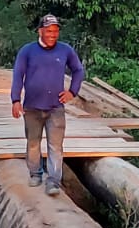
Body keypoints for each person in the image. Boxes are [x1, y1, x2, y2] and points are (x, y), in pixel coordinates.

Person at [9, 14, 84, 195]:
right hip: (32, 108)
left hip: (55, 108)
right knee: (33, 143)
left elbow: (78, 70)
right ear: (40, 31)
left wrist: (72, 91)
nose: (52, 34)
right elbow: (18, 75)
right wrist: (15, 100)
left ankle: (54, 182)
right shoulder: (27, 51)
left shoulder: (65, 50)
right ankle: (35, 173)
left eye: (56, 31)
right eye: (49, 31)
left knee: (55, 146)